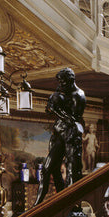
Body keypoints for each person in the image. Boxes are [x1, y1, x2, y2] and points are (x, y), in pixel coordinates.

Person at [34, 68, 86, 205]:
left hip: (71, 135)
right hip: (58, 134)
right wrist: (51, 106)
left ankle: (68, 205)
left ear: (70, 81)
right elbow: (50, 109)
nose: (60, 85)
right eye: (60, 83)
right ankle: (37, 205)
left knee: (72, 172)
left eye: (62, 83)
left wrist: (57, 109)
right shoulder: (62, 91)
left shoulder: (78, 96)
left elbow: (72, 120)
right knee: (47, 169)